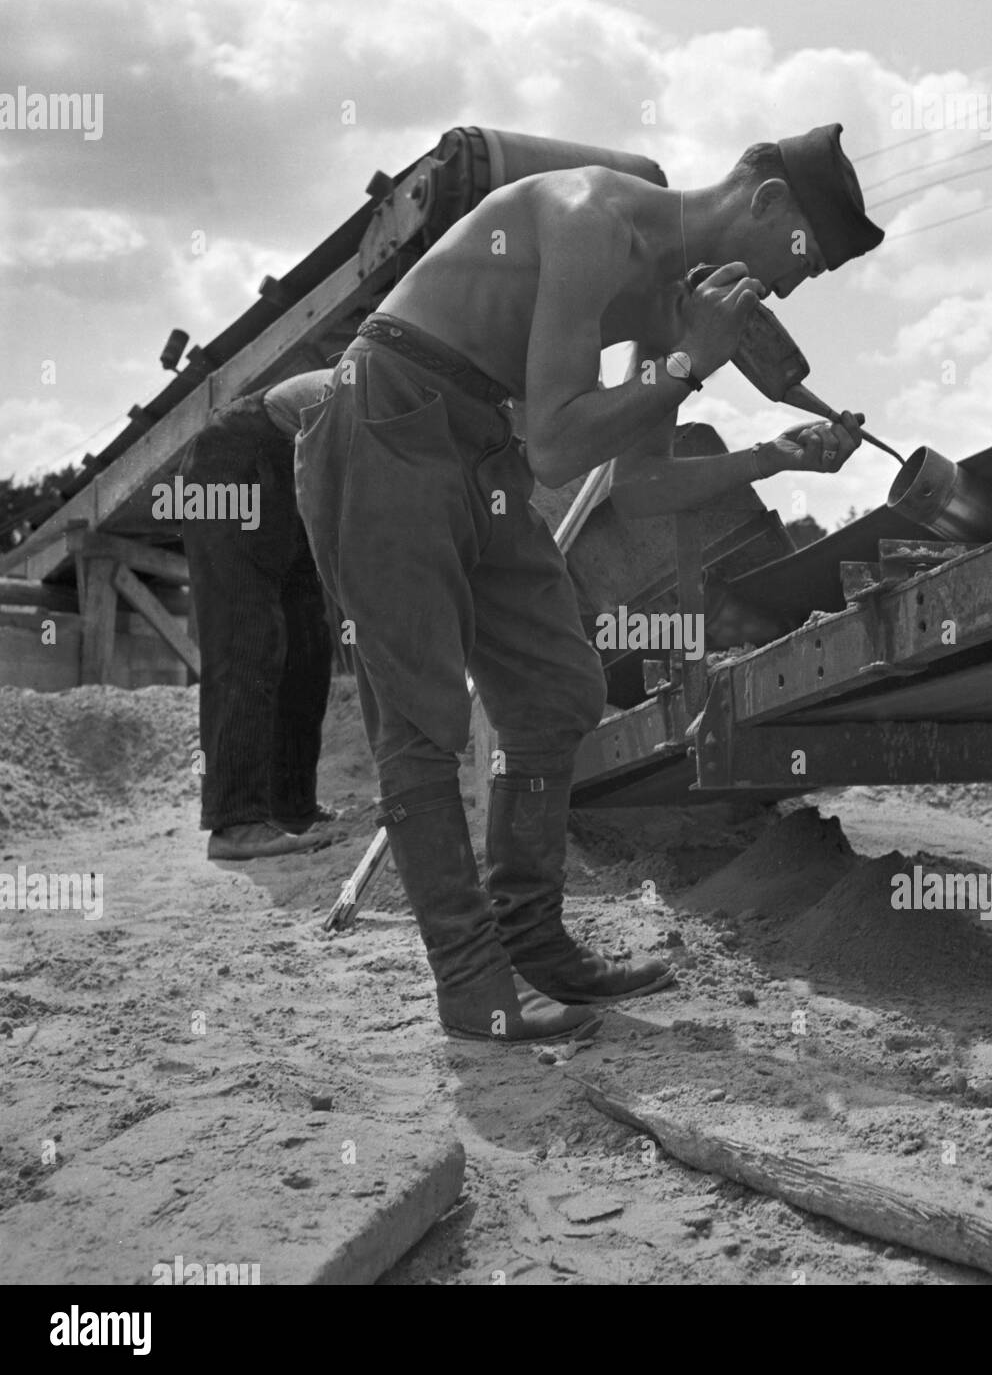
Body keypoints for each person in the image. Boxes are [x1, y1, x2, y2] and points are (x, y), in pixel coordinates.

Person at [295, 122, 885, 1042]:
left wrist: (774, 455)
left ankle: (531, 939)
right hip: (389, 418)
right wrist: (692, 361)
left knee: (558, 690)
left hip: (483, 445)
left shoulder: (668, 296)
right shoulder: (593, 216)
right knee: (420, 719)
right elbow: (561, 441)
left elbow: (639, 485)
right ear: (766, 201)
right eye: (799, 261)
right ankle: (471, 982)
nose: (786, 289)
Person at [181, 370, 339, 860]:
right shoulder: (403, 392)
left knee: (308, 643)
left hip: (290, 463)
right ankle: (235, 822)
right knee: (246, 634)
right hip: (230, 461)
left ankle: (290, 806)